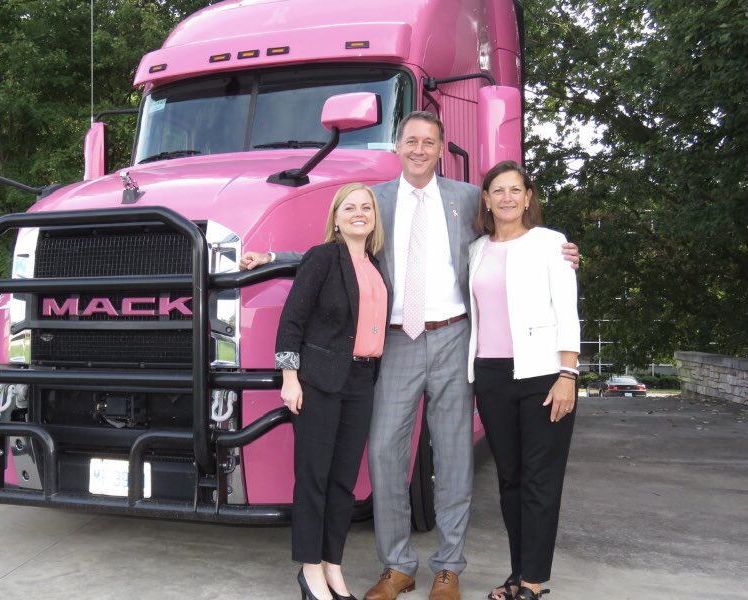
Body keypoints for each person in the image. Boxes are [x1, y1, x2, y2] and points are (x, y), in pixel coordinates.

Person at [242, 111, 579, 600]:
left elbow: (515, 240)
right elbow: (338, 249)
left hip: (454, 338)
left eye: (429, 142)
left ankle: (448, 567)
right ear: (397, 146)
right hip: (396, 341)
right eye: (410, 141)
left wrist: (561, 251)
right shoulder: (375, 200)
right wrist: (273, 258)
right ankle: (398, 565)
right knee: (383, 454)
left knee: (455, 458)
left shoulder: (467, 198)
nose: (419, 149)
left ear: (442, 149)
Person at [467, 161, 580, 600]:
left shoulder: (551, 244)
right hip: (491, 377)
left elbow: (567, 311)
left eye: (516, 189)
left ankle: (533, 580)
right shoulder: (476, 249)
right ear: (487, 199)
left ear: (528, 196)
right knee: (509, 479)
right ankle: (518, 572)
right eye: (499, 190)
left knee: (539, 481)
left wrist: (568, 375)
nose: (508, 197)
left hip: (543, 375)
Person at [275, 183, 389, 600]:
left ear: (374, 217)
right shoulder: (323, 258)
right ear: (336, 218)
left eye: (366, 207)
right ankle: (309, 571)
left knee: (344, 483)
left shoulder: (376, 266)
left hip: (362, 382)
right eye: (350, 207)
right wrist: (290, 378)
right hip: (318, 383)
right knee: (314, 479)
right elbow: (291, 321)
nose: (359, 213)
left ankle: (332, 565)